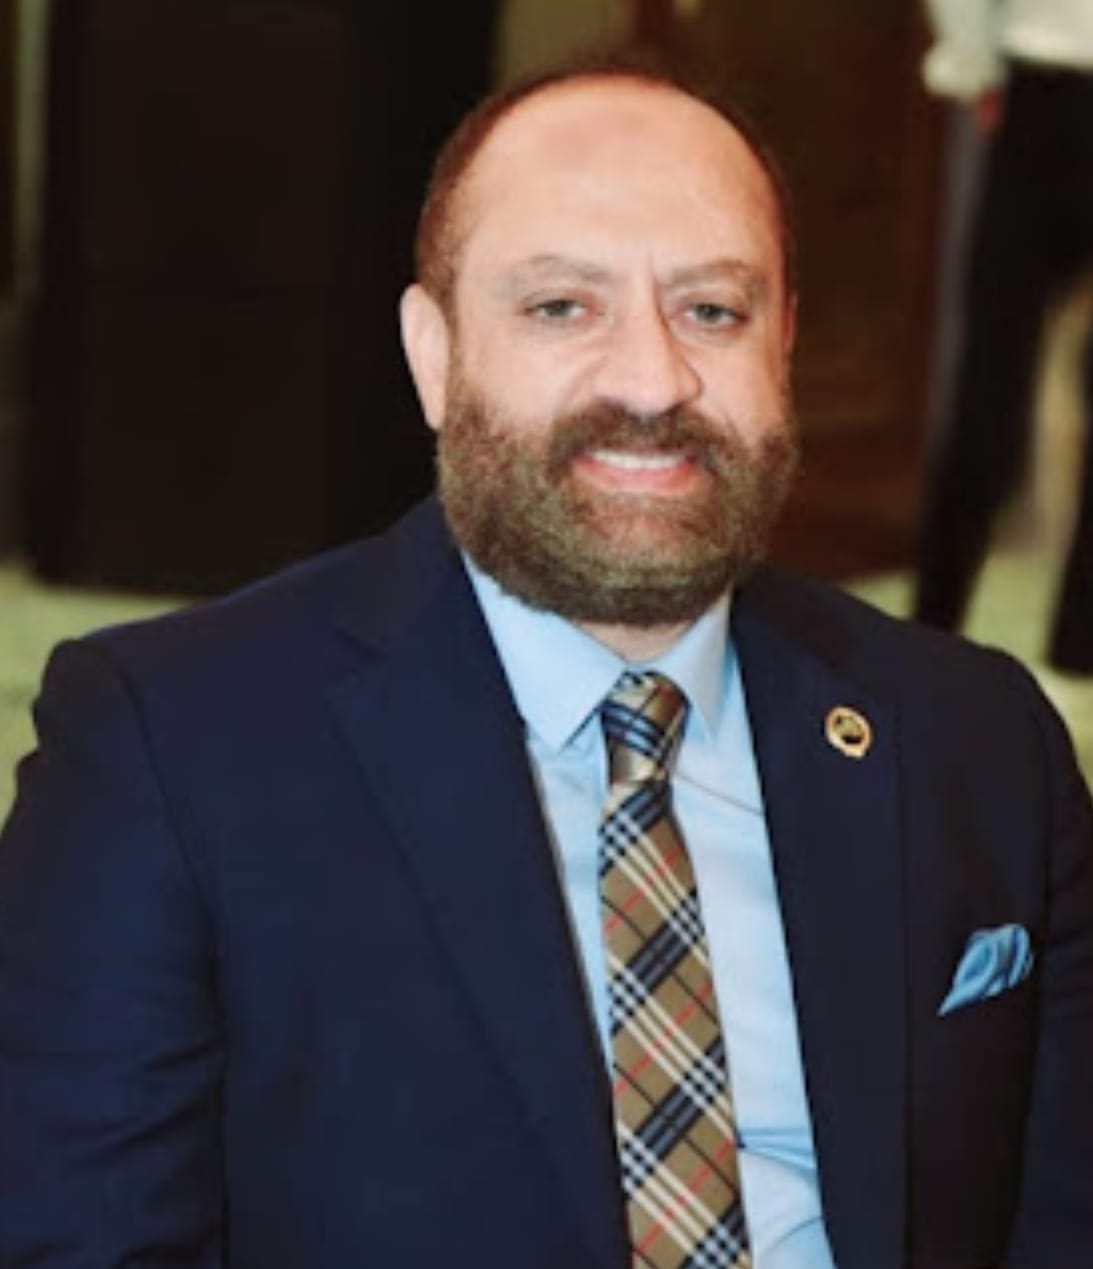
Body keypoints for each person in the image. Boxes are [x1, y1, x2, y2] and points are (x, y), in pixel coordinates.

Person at [2, 60, 1092, 1269]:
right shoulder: (168, 751)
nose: (651, 381)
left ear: (783, 341)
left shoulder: (976, 740)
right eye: (561, 307)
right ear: (434, 353)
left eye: (711, 310)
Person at [914, 0, 1093, 672]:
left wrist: (974, 65)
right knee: (990, 387)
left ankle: (933, 625)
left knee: (989, 379)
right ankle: (1078, 643)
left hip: (1041, 95)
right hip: (1040, 86)